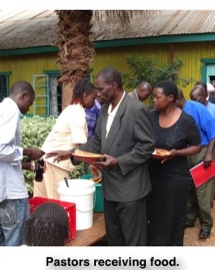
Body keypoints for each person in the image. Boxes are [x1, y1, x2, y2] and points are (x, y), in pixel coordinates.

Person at [47, 67, 155, 246]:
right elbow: (97, 140)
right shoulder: (104, 110)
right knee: (114, 239)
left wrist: (119, 162)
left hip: (131, 190)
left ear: (113, 86)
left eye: (100, 88)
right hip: (110, 188)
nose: (97, 93)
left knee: (133, 242)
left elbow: (147, 146)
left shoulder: (136, 109)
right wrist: (73, 153)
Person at [0, 81, 45, 246]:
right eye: (29, 103)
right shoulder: (11, 112)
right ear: (22, 96)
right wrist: (28, 151)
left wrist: (28, 166)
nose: (28, 109)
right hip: (10, 195)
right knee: (16, 245)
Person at [147, 80, 201, 246]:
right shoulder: (152, 116)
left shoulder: (186, 121)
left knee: (172, 217)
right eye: (153, 97)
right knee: (154, 218)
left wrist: (177, 153)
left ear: (170, 98)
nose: (154, 100)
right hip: (153, 176)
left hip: (175, 178)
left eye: (158, 97)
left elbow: (197, 146)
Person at [34, 80, 97, 199]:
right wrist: (94, 163)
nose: (95, 102)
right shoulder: (77, 113)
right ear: (85, 96)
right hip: (55, 164)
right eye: (93, 98)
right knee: (57, 204)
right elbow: (82, 147)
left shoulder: (71, 110)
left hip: (46, 161)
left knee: (42, 203)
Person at [176, 89, 215, 240]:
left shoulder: (197, 108)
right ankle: (189, 219)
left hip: (202, 150)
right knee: (187, 187)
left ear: (177, 99)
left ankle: (206, 224)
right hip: (186, 152)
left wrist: (209, 153)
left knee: (201, 190)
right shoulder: (176, 112)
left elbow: (214, 132)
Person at [190, 85, 215, 200]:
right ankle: (198, 204)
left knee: (208, 176)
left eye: (196, 98)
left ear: (205, 96)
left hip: (213, 147)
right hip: (197, 146)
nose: (194, 102)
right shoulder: (192, 109)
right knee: (196, 176)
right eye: (192, 99)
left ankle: (207, 203)